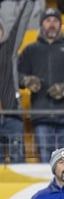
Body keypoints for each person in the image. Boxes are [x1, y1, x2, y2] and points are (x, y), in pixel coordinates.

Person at [17, 8, 64, 162]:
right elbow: (16, 74)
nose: (52, 24)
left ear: (60, 25)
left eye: (55, 21)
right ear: (42, 24)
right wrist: (26, 80)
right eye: (48, 20)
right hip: (42, 115)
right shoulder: (30, 50)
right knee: (45, 162)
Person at [0, 19, 25, 163]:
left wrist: (29, 1)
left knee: (18, 158)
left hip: (12, 115)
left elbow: (19, 25)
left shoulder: (8, 50)